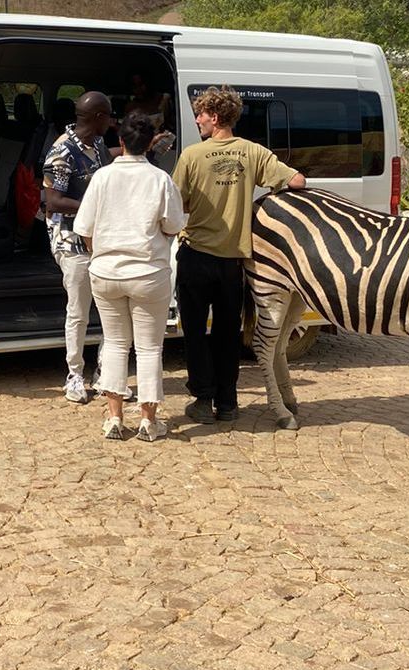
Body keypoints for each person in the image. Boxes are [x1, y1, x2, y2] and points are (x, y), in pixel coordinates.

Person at [171, 85, 306, 423]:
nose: (198, 120)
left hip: (197, 255)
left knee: (195, 331)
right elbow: (298, 182)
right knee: (228, 333)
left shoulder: (191, 155)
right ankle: (228, 404)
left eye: (201, 114)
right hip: (234, 261)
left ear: (215, 117)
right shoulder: (253, 152)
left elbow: (175, 203)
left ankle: (202, 399)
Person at [73, 113, 187, 442]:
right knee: (150, 348)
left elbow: (85, 229)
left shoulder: (102, 178)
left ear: (120, 142)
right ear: (151, 143)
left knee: (116, 344)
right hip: (148, 272)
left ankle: (114, 417)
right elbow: (173, 225)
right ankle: (149, 421)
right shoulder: (160, 180)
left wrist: (101, 254)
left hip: (106, 271)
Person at [41, 90, 115, 404]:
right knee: (79, 312)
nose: (112, 121)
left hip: (100, 239)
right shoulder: (62, 151)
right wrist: (94, 206)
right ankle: (74, 375)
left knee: (109, 310)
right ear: (98, 117)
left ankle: (104, 372)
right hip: (71, 242)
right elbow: (52, 201)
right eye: (109, 116)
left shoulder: (98, 145)